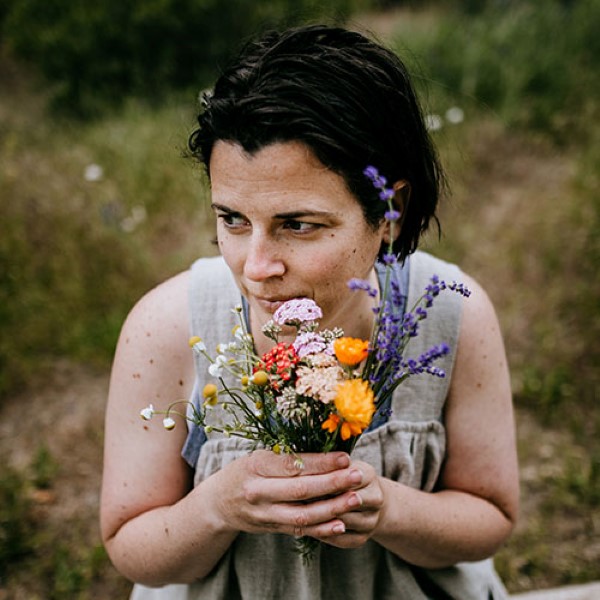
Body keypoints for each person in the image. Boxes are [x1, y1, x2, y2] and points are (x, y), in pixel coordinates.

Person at [100, 24, 519, 599]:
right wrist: (219, 506)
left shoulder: (452, 312)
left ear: (390, 209)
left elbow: (491, 519)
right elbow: (130, 547)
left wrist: (388, 510)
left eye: (298, 224)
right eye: (233, 220)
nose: (255, 266)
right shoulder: (165, 326)